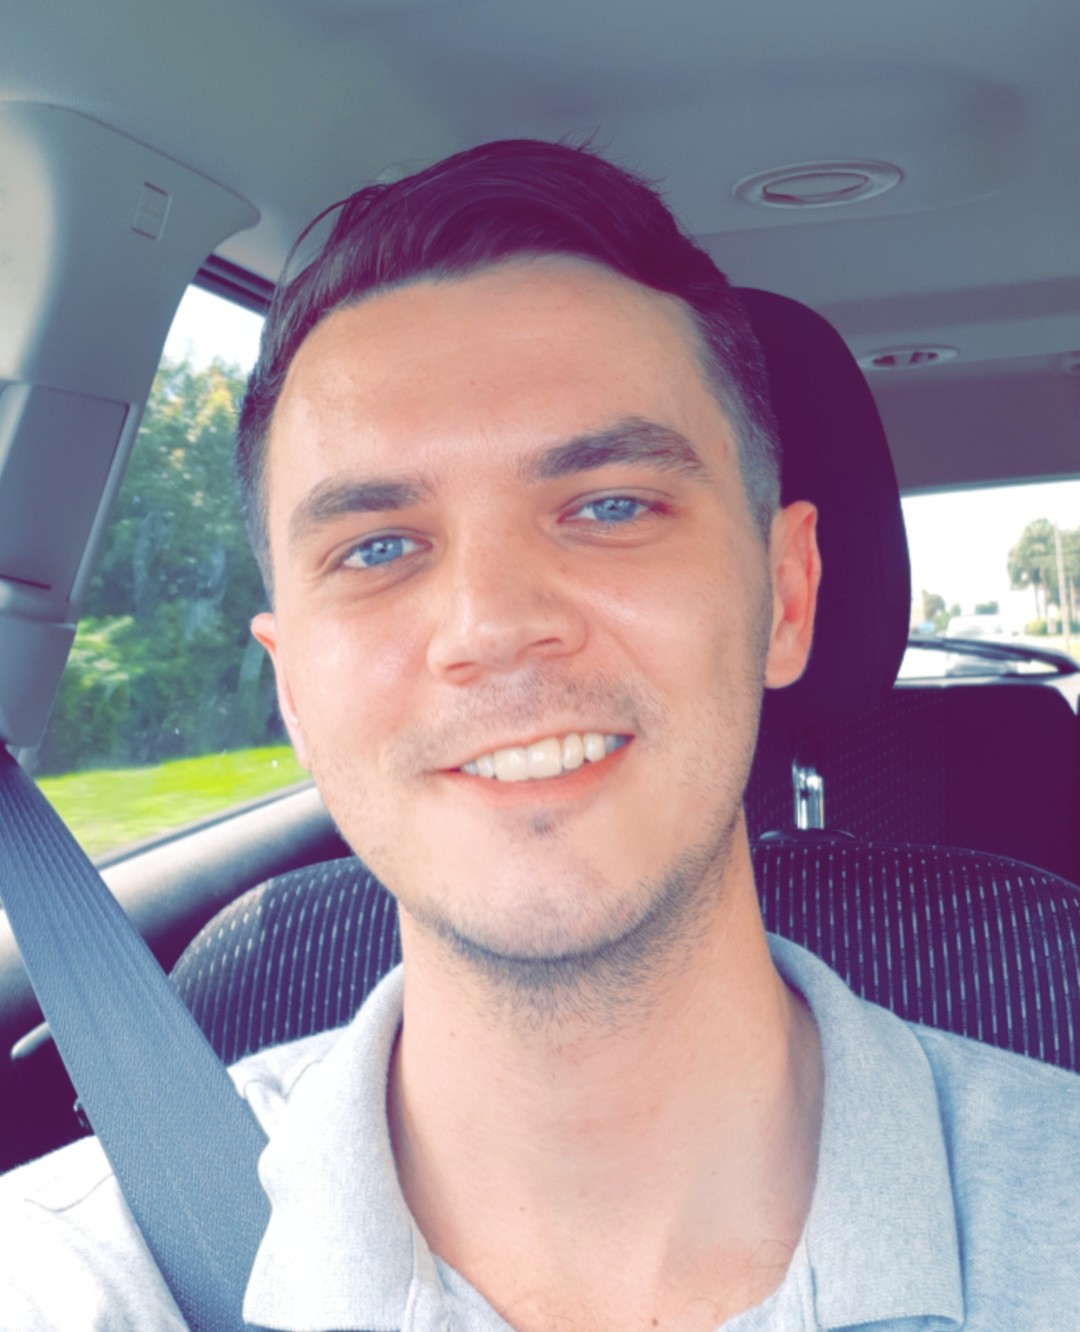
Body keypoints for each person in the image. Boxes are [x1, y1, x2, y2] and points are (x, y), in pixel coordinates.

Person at [2, 138, 1078, 1331]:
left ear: (785, 596)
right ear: (293, 687)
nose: (493, 625)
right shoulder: (62, 1275)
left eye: (610, 506)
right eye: (376, 547)